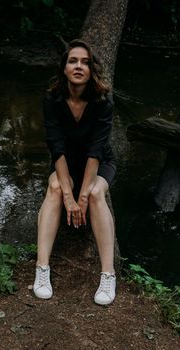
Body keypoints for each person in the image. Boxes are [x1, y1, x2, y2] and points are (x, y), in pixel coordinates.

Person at [33, 39, 117, 305]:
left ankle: (108, 274)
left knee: (94, 194)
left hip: (100, 161)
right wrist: (68, 197)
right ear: (64, 68)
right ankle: (42, 268)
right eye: (73, 61)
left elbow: (96, 150)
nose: (78, 66)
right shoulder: (52, 100)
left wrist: (80, 198)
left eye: (84, 62)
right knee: (56, 188)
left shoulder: (103, 102)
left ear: (92, 70)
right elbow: (56, 148)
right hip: (65, 162)